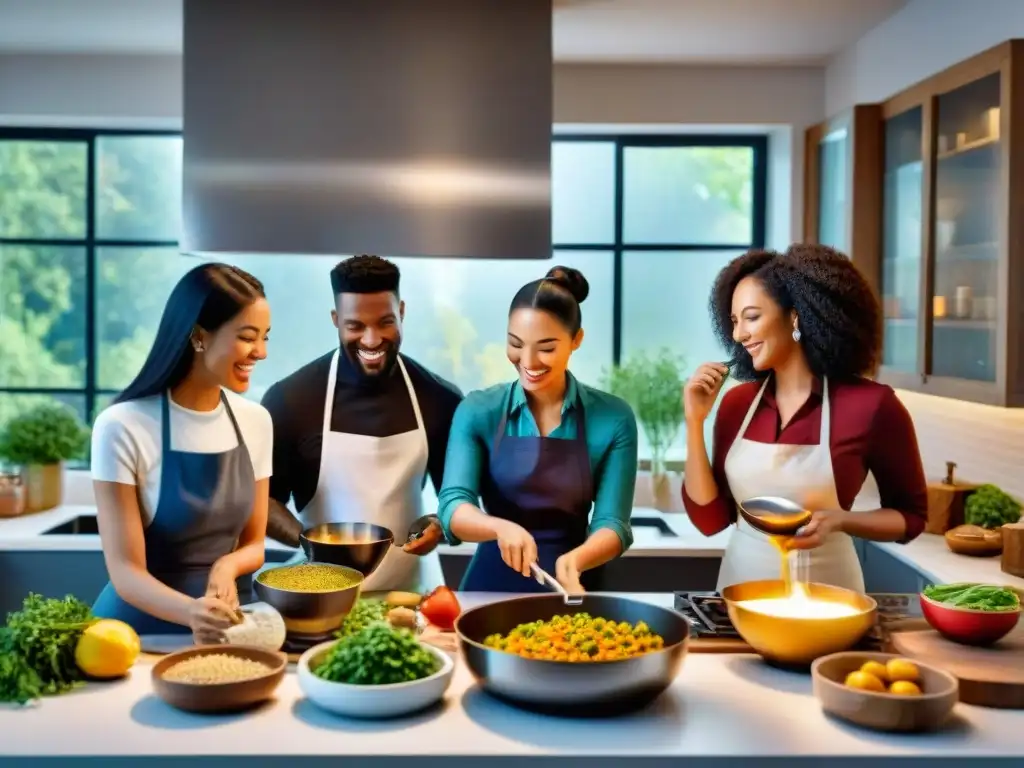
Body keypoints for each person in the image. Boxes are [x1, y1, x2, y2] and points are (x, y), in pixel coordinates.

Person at [682, 244, 929, 594]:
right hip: (740, 600)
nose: (738, 335)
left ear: (795, 317)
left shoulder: (871, 406)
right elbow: (710, 520)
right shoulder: (737, 404)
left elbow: (911, 517)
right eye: (735, 322)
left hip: (831, 601)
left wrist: (842, 520)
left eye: (751, 318)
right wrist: (694, 422)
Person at [91, 263, 274, 641]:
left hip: (229, 626)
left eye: (265, 337)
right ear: (199, 336)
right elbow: (125, 571)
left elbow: (255, 544)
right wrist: (191, 611)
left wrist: (227, 565)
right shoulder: (122, 426)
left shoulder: (256, 421)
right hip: (135, 635)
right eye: (247, 337)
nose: (261, 352)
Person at [260, 255, 462, 593]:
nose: (371, 340)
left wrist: (439, 526)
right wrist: (313, 543)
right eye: (355, 326)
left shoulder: (440, 398)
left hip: (413, 597)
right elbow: (262, 501)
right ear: (336, 320)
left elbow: (457, 500)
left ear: (402, 313)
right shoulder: (290, 400)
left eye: (385, 322)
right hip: (320, 594)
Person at [437, 266, 638, 593]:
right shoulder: (477, 411)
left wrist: (576, 560)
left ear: (576, 340)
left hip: (574, 583)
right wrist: (498, 527)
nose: (528, 361)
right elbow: (452, 505)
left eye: (546, 348)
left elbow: (613, 524)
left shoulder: (613, 417)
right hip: (489, 588)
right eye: (516, 344)